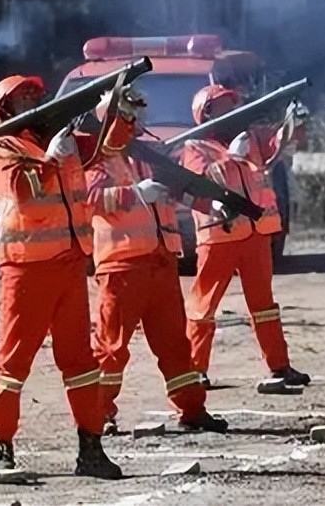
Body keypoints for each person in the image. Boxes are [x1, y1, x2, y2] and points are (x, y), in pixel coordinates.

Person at [0, 74, 121, 481]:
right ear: (5, 108)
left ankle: (91, 448)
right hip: (26, 270)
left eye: (36, 94)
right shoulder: (1, 146)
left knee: (81, 362)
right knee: (13, 362)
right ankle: (2, 448)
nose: (34, 99)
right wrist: (53, 160)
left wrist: (115, 110)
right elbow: (24, 193)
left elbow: (110, 146)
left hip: (69, 265)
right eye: (24, 96)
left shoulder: (59, 140)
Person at [84, 87, 229, 434]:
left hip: (161, 261)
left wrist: (212, 206)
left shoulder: (145, 155)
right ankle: (98, 413)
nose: (139, 120)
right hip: (122, 265)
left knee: (175, 343)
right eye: (130, 114)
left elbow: (176, 188)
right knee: (112, 347)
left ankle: (192, 409)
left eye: (139, 114)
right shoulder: (96, 156)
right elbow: (88, 199)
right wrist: (135, 194)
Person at [180, 84, 310, 389]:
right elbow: (201, 185)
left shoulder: (253, 136)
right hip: (219, 237)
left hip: (255, 234)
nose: (232, 109)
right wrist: (232, 158)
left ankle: (279, 366)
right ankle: (195, 369)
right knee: (203, 306)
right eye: (224, 105)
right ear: (207, 113)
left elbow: (285, 141)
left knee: (264, 306)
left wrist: (295, 119)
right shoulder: (194, 147)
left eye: (232, 103)